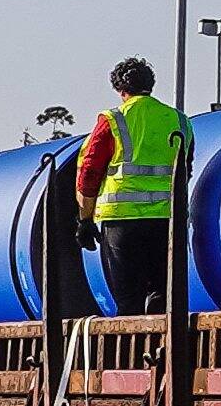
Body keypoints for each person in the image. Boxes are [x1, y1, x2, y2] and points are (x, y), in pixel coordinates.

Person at [71, 56, 191, 315]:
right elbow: (186, 170)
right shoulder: (179, 120)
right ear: (150, 85)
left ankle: (131, 340)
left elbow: (89, 172)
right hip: (167, 221)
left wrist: (85, 219)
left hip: (122, 222)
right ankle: (164, 339)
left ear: (120, 89)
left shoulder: (113, 120)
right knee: (163, 297)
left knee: (128, 301)